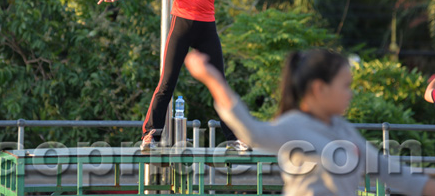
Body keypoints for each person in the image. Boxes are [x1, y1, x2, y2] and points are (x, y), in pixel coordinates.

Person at [184, 49, 435, 196]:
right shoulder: (292, 126)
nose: (351, 93)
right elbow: (251, 132)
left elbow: (392, 172)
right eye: (346, 86)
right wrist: (213, 80)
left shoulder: (342, 128)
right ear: (319, 89)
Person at [97, 0, 249, 151]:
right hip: (182, 25)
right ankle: (151, 135)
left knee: (219, 84)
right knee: (167, 83)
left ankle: (233, 139)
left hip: (206, 27)